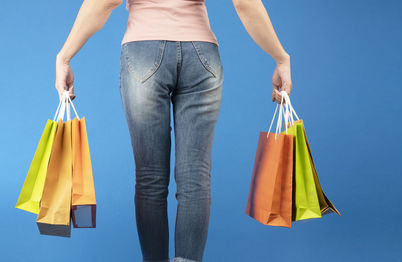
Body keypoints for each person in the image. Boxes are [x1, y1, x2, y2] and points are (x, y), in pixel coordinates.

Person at [54, 0, 292, 261]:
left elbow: (105, 2)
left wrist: (64, 56)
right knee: (195, 178)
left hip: (143, 53)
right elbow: (244, 3)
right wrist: (281, 57)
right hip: (202, 57)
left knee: (149, 179)